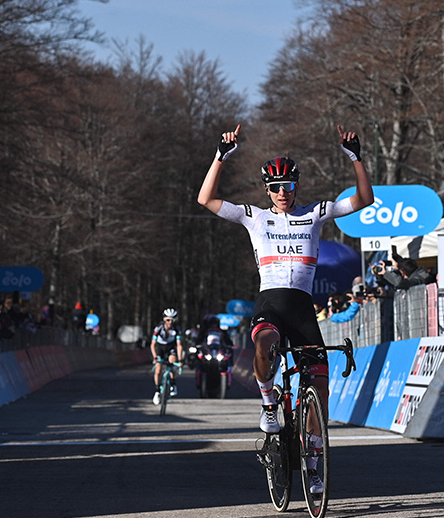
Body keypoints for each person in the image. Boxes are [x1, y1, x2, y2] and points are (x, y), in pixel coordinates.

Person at [198, 123, 373, 497]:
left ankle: (312, 465)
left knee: (320, 390)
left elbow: (363, 201)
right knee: (265, 347)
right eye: (275, 187)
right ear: (267, 189)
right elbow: (206, 200)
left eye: (288, 186)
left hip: (302, 310)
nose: (282, 193)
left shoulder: (316, 213)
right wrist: (220, 156)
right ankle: (268, 406)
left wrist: (356, 157)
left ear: (296, 186)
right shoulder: (254, 216)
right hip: (271, 304)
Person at [151, 308, 182, 404]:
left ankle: (173, 383)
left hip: (170, 347)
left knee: (172, 362)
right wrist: (155, 357)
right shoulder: (158, 328)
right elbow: (153, 344)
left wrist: (180, 360)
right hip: (160, 348)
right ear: (164, 319)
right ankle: (157, 391)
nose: (170, 322)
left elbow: (179, 345)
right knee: (158, 370)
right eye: (168, 320)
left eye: (173, 320)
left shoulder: (177, 329)